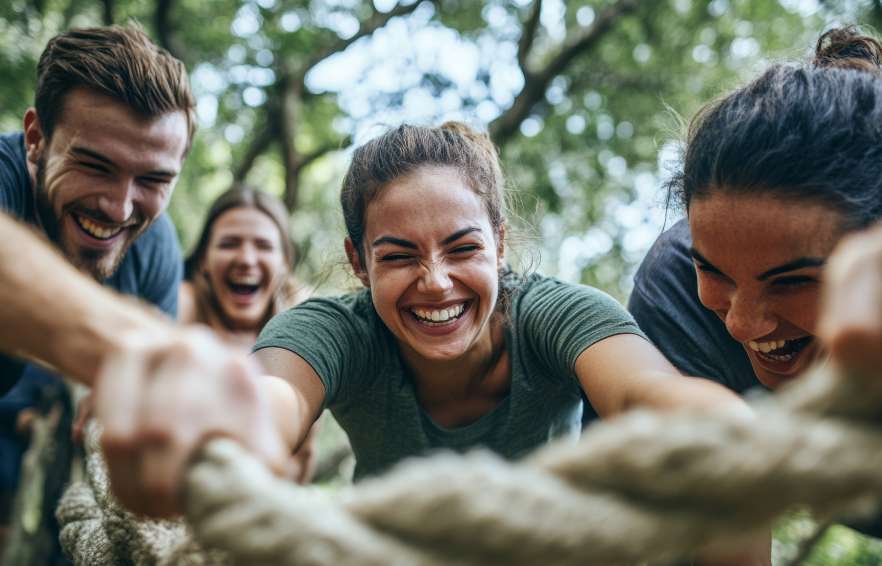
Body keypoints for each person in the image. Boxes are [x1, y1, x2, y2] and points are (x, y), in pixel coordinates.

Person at [97, 121, 769, 564]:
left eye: (462, 248)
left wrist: (714, 426)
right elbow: (268, 401)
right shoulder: (336, 331)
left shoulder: (554, 316)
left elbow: (647, 392)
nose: (436, 282)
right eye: (398, 257)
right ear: (358, 264)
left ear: (500, 245)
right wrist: (208, 424)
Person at [626, 26, 882, 535]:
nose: (742, 325)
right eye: (713, 271)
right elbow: (727, 533)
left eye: (791, 282)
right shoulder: (676, 291)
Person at [0, 24, 192, 393]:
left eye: (154, 180)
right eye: (94, 166)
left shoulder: (153, 246)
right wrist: (124, 351)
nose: (120, 210)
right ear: (36, 140)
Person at [178, 187, 319, 483]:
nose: (246, 259)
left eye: (264, 246)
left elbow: (300, 463)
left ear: (285, 262)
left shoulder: (303, 321)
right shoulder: (183, 305)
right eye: (229, 244)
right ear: (203, 258)